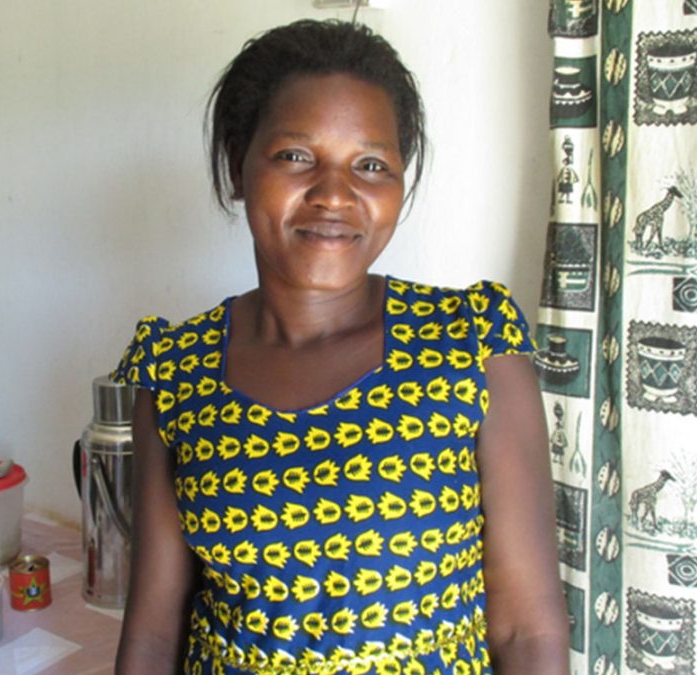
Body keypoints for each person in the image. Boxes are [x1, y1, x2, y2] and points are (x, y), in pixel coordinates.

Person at [110, 19, 568, 675]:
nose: (333, 193)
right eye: (296, 156)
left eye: (371, 165)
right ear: (238, 164)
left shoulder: (472, 345)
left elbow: (528, 629)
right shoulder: (176, 371)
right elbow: (155, 632)